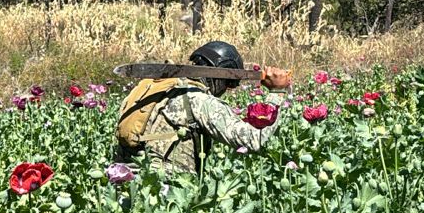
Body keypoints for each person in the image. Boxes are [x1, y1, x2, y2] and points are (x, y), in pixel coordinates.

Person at [114, 40, 292, 175]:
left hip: (125, 180)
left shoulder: (152, 89)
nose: (226, 91)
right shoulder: (199, 100)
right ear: (220, 76)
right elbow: (255, 140)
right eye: (229, 84)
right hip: (166, 189)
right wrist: (277, 92)